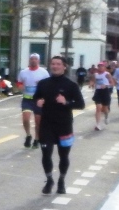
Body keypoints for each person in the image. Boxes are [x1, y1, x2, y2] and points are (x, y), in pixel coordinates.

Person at [33, 56, 86, 194]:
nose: (55, 66)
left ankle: (61, 181)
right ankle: (49, 179)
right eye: (53, 64)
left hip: (64, 125)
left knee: (63, 156)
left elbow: (81, 104)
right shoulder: (43, 83)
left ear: (64, 67)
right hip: (47, 124)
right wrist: (38, 101)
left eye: (58, 64)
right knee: (46, 153)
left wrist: (66, 102)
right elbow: (36, 97)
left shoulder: (71, 85)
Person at [17, 54, 50, 148]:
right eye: (32, 59)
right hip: (27, 99)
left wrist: (41, 85)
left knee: (38, 122)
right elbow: (19, 82)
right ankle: (28, 135)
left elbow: (49, 85)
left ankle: (37, 139)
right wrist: (20, 87)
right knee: (25, 119)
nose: (33, 60)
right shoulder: (23, 72)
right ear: (29, 60)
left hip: (38, 100)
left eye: (35, 59)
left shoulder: (43, 72)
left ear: (38, 61)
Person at [91, 62, 115, 130]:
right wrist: (91, 84)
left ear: (104, 67)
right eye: (99, 66)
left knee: (105, 108)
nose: (100, 67)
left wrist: (106, 85)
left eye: (102, 66)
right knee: (98, 107)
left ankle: (106, 116)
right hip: (98, 92)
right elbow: (92, 81)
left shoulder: (107, 74)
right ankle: (98, 124)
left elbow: (112, 83)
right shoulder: (95, 74)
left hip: (105, 91)